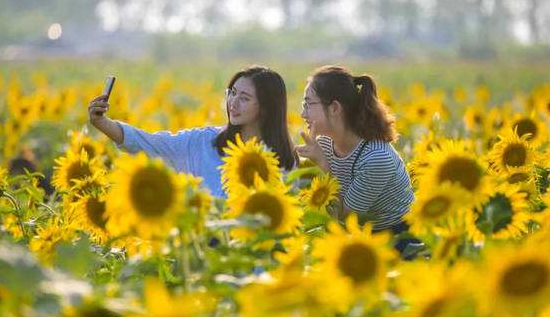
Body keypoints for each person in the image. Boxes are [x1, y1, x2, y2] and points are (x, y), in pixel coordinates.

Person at [88, 65, 297, 198]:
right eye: (232, 93)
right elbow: (152, 144)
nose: (233, 103)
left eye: (244, 98)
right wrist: (103, 123)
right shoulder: (205, 142)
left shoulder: (284, 160)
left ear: (266, 107)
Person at [295, 65, 417, 250]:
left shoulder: (376, 158)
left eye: (308, 104)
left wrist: (323, 165)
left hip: (401, 240)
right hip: (361, 237)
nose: (302, 114)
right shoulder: (326, 143)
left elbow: (346, 218)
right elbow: (302, 183)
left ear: (334, 108)